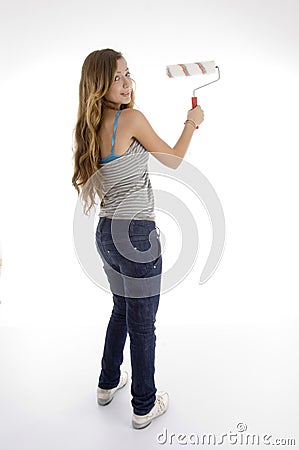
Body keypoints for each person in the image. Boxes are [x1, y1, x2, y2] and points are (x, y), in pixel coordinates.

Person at [72, 48, 204, 429]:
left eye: (128, 74)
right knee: (143, 324)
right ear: (99, 84)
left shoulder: (90, 127)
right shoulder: (130, 119)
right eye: (116, 77)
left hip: (106, 233)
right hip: (137, 234)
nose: (127, 82)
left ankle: (107, 382)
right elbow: (175, 159)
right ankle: (144, 404)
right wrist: (191, 122)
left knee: (121, 310)